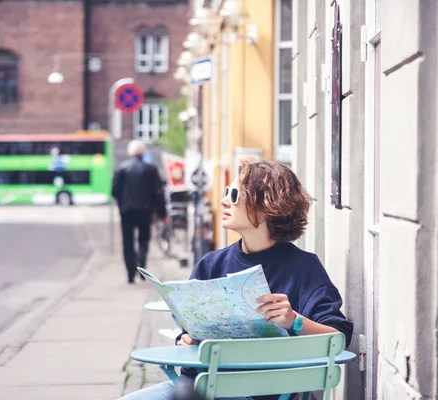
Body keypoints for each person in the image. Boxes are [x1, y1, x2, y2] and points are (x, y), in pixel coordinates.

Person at [120, 160, 353, 400]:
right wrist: (185, 339)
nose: (223, 201)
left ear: (267, 206)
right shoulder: (211, 264)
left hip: (263, 393)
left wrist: (294, 321)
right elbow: (187, 333)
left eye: (234, 195)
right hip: (200, 387)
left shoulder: (303, 268)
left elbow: (339, 340)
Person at [112, 140, 169, 284]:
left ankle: (130, 274)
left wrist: (121, 204)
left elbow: (114, 191)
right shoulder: (150, 169)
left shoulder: (122, 169)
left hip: (126, 211)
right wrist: (162, 213)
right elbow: (158, 192)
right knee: (144, 239)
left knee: (128, 242)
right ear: (143, 152)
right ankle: (141, 265)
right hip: (145, 210)